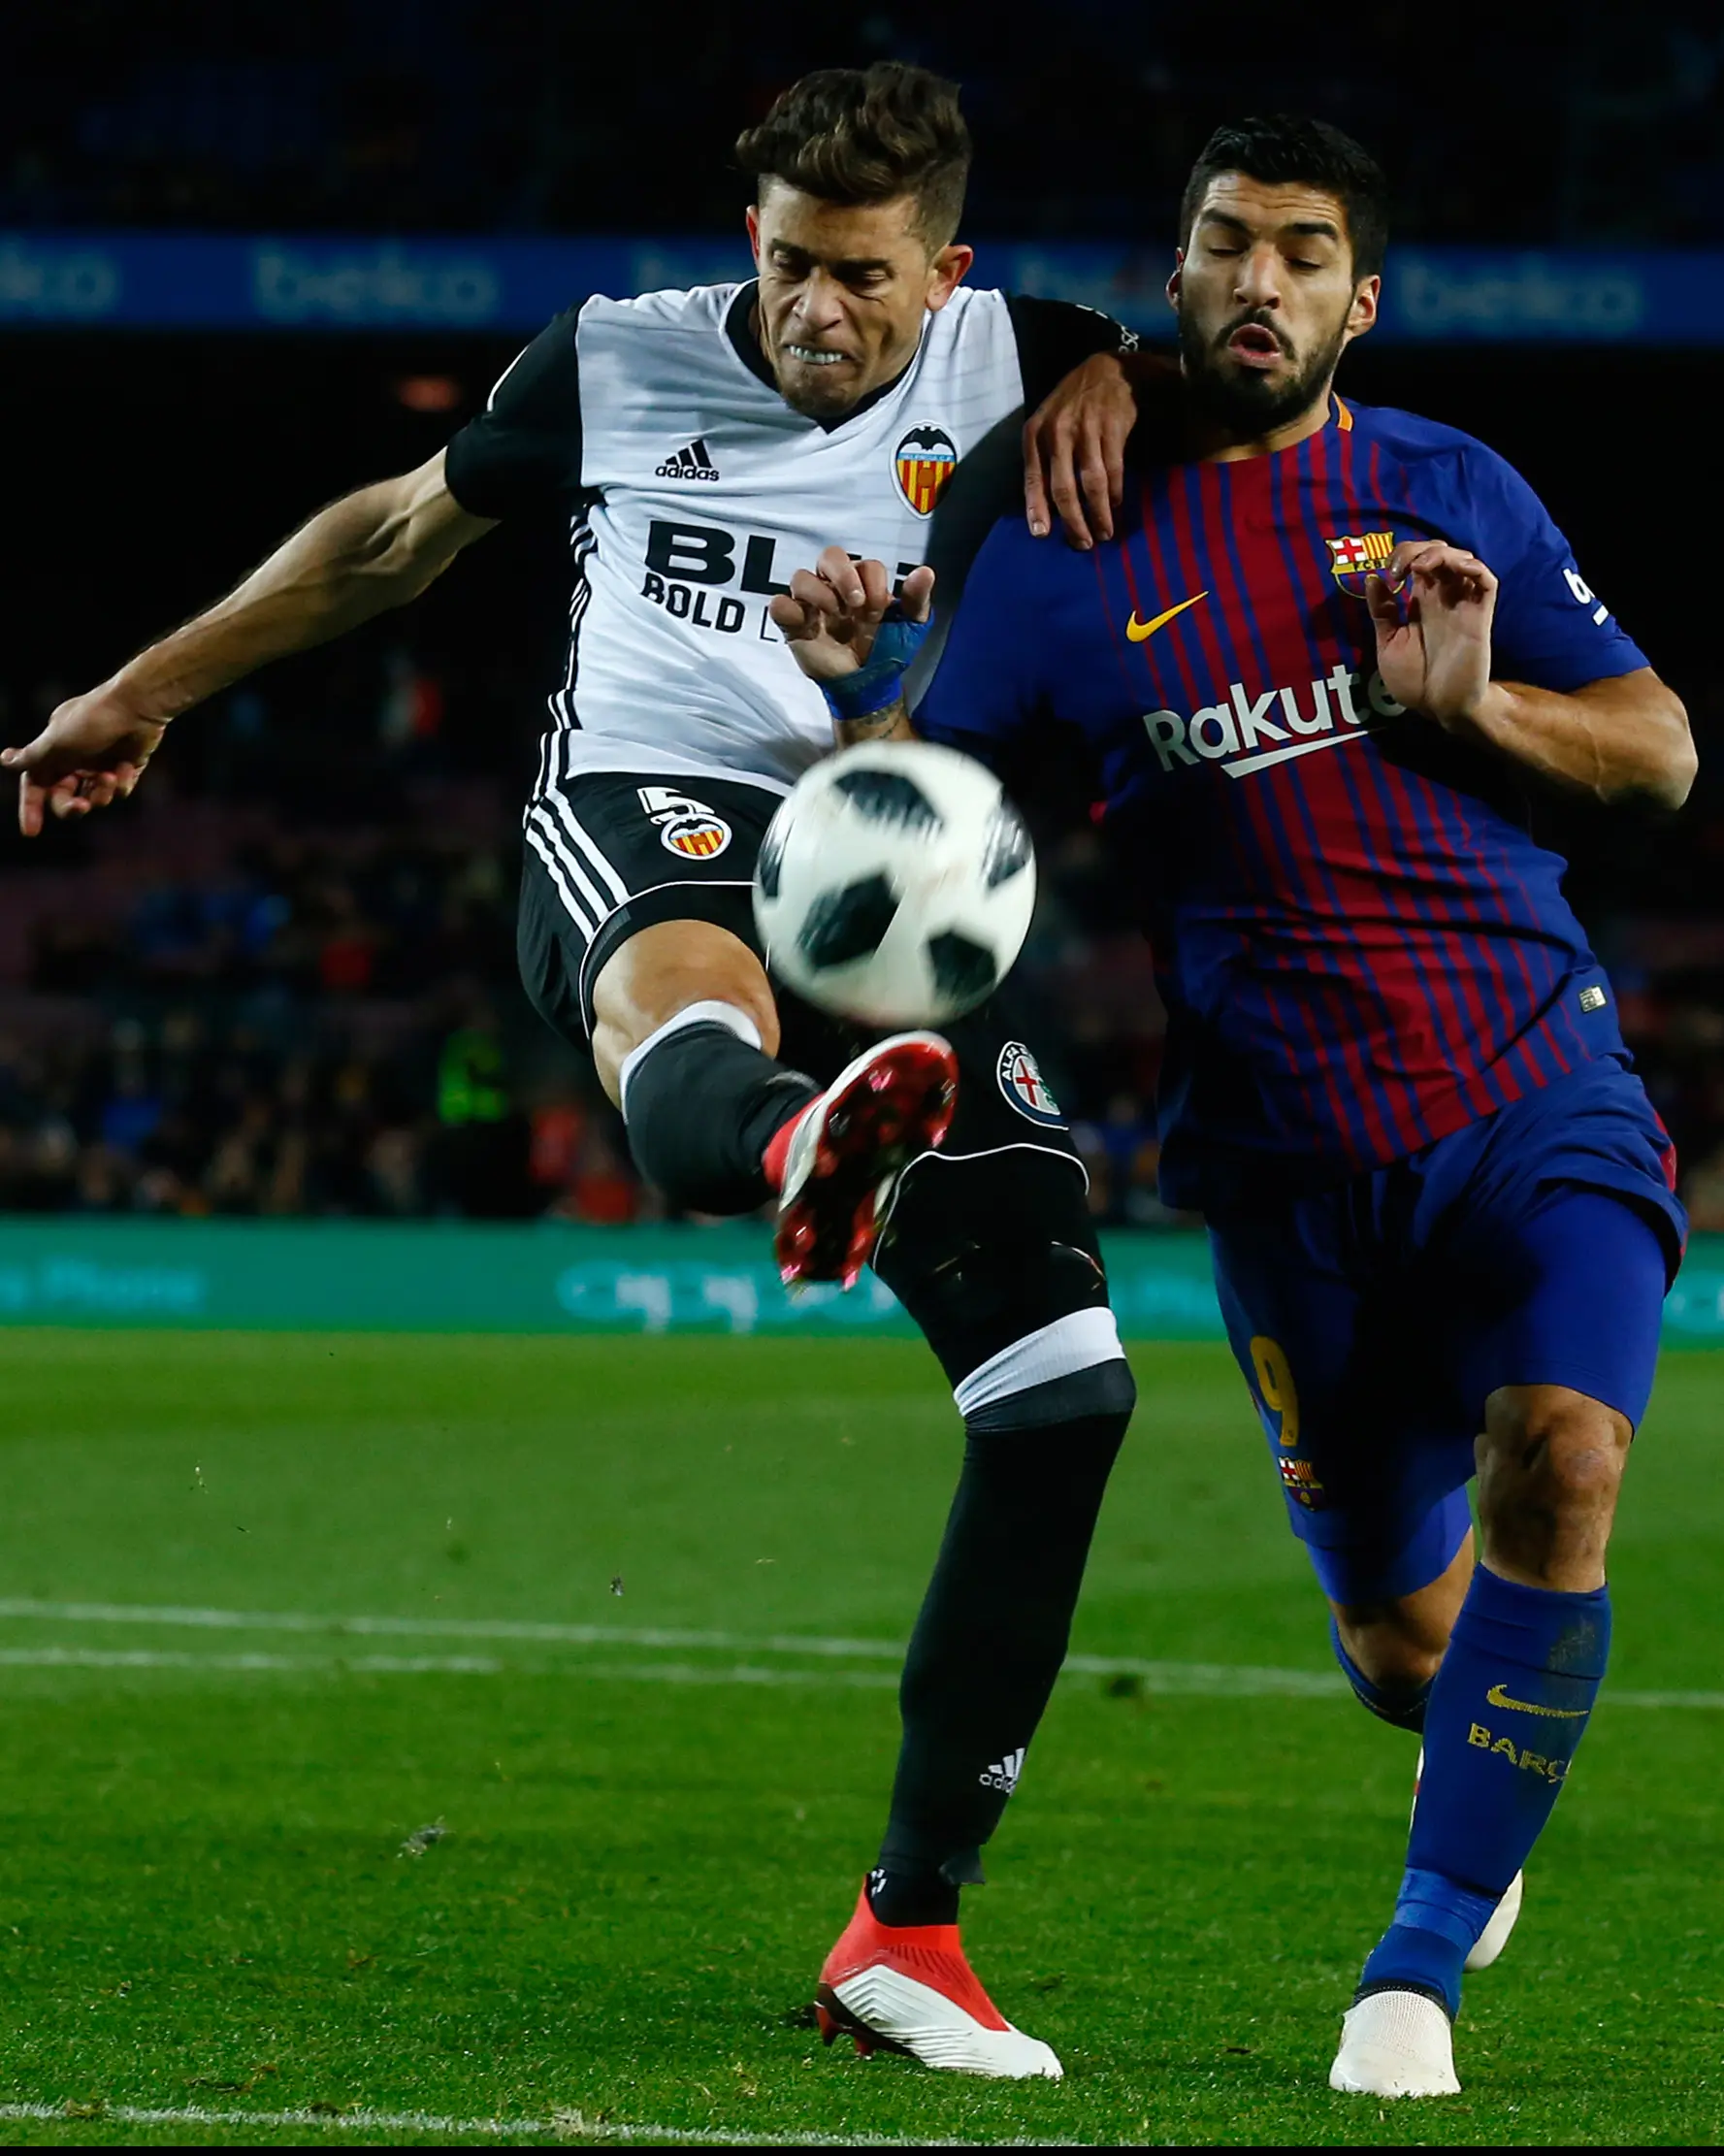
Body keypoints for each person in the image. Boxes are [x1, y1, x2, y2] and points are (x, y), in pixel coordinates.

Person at [7, 62, 1158, 2082]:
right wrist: (138, 690)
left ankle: (906, 1932)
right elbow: (385, 542)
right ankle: (798, 1131)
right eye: (790, 264)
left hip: (888, 857)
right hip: (650, 808)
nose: (819, 308)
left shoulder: (1027, 359)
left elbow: (1243, 381)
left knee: (1064, 1390)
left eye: (864, 278)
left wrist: (1128, 367)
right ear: (750, 245)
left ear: (948, 274)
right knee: (690, 996)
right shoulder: (614, 362)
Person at [772, 114, 1695, 2101]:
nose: (1257, 278)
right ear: (1173, 282)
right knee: (1405, 1656)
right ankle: (1470, 1788)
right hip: (1285, 1171)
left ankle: (1414, 1971)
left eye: (1301, 249)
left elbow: (1659, 750)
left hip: (1539, 1092)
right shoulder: (1058, 563)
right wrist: (853, 709)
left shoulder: (1443, 490)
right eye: (1222, 245)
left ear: (1360, 298)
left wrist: (1473, 708)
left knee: (1568, 1462)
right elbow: (924, 845)